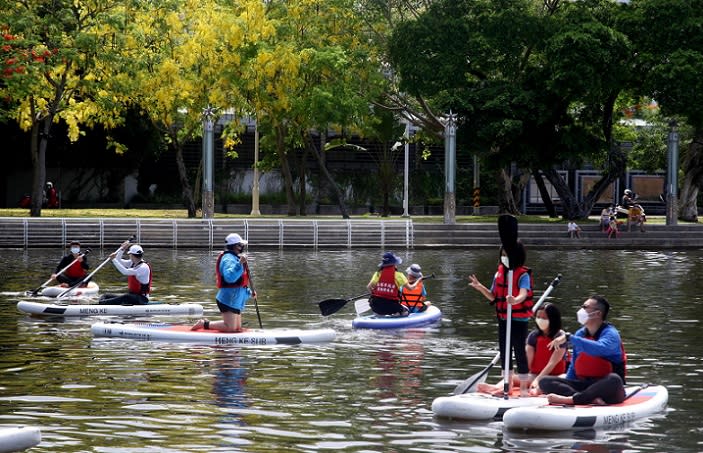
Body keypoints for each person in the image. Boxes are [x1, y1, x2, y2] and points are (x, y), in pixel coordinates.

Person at [468, 241, 534, 396]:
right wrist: (480, 287)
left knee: (519, 352)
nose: (505, 258)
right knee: (504, 352)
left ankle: (524, 388)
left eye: (508, 255)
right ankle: (508, 386)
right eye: (503, 255)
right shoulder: (498, 274)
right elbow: (493, 297)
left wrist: (515, 300)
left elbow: (523, 293)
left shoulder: (522, 274)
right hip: (503, 319)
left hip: (519, 321)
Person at [538, 295, 626, 405]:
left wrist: (569, 337)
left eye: (585, 307)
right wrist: (567, 382)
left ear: (598, 313)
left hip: (607, 389)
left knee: (614, 379)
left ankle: (573, 399)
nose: (581, 310)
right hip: (584, 385)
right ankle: (587, 399)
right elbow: (575, 364)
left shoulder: (611, 334)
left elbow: (599, 348)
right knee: (544, 381)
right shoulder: (580, 334)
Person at [477, 303, 569, 396]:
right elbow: (527, 361)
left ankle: (538, 390)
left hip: (555, 376)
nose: (541, 320)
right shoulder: (533, 336)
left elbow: (552, 363)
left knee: (560, 379)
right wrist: (523, 376)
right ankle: (497, 387)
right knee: (512, 378)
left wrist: (538, 380)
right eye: (538, 317)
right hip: (534, 375)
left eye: (544, 318)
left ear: (553, 319)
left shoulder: (560, 337)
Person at [192, 233, 255, 332]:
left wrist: (249, 293)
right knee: (230, 328)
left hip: (235, 300)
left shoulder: (235, 258)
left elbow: (240, 284)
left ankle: (209, 324)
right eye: (241, 245)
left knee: (237, 328)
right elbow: (230, 277)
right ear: (236, 246)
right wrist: (239, 264)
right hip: (228, 299)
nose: (243, 247)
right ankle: (203, 323)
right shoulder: (228, 259)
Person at [367, 251, 420, 317]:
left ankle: (381, 316)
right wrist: (418, 280)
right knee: (406, 311)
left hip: (375, 306)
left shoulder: (377, 274)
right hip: (391, 307)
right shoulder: (399, 275)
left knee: (381, 307)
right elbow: (411, 288)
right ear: (394, 264)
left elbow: (369, 287)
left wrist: (374, 293)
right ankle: (395, 318)